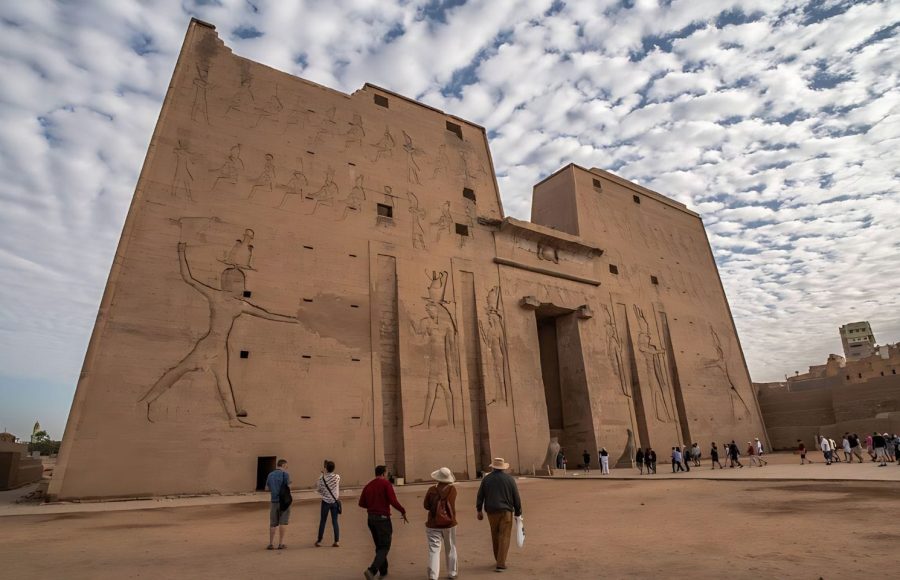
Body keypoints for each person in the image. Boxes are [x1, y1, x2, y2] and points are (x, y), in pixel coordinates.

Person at [359, 465, 408, 580]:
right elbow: (393, 500)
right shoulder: (386, 484)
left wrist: (373, 505)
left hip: (371, 519)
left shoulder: (368, 486)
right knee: (384, 546)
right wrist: (402, 510)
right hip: (383, 520)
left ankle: (383, 570)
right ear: (383, 473)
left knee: (379, 546)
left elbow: (362, 503)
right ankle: (372, 570)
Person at [476, 458, 522, 573]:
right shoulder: (509, 480)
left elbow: (480, 495)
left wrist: (479, 510)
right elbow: (516, 496)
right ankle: (501, 563)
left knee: (495, 535)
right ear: (503, 468)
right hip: (506, 511)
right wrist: (518, 511)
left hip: (491, 512)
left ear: (493, 467)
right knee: (504, 536)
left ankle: (498, 559)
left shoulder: (486, 479)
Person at [424, 467, 458, 580]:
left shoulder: (431, 490)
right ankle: (452, 573)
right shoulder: (453, 490)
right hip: (450, 524)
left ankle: (433, 576)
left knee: (434, 549)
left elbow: (426, 506)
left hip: (433, 524)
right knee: (451, 548)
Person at [265, 458, 291, 550]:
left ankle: (271, 544)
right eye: (286, 466)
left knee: (273, 523)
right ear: (283, 465)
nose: (287, 467)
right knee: (283, 522)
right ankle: (281, 544)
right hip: (284, 502)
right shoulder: (286, 475)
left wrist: (274, 489)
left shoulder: (270, 475)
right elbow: (289, 487)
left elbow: (266, 488)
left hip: (274, 501)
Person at [315, 460, 341, 547]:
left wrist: (323, 474)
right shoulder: (337, 477)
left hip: (325, 502)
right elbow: (333, 477)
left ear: (326, 468)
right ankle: (336, 541)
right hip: (334, 501)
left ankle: (319, 541)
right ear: (334, 468)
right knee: (335, 521)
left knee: (323, 521)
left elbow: (318, 489)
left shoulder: (321, 478)